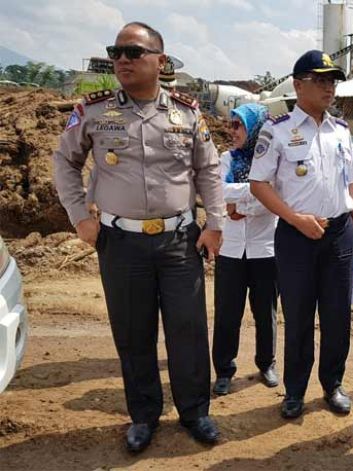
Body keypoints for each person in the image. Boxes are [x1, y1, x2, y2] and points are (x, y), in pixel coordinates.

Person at [52, 22, 224, 452]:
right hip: (121, 242)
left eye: (133, 52)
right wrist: (80, 218)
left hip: (179, 240)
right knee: (133, 333)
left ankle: (194, 412)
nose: (122, 60)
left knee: (187, 330)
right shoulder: (93, 111)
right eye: (117, 52)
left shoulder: (187, 111)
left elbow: (208, 169)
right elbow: (64, 162)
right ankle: (144, 416)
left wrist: (216, 223)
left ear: (160, 61)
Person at [249, 50, 353, 419]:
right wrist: (295, 219)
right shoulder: (277, 129)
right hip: (296, 237)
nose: (330, 87)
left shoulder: (341, 130)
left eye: (333, 81)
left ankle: (333, 384)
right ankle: (294, 391)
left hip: (339, 234)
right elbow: (258, 184)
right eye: (321, 81)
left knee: (336, 317)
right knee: (298, 317)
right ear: (298, 85)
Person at [211, 103, 279, 396]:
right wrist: (253, 194)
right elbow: (217, 191)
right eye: (232, 125)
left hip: (266, 249)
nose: (232, 131)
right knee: (227, 312)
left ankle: (266, 364)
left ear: (255, 130)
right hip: (231, 249)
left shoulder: (272, 159)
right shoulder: (227, 158)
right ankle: (224, 370)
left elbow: (275, 196)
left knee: (266, 312)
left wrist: (239, 204)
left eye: (238, 125)